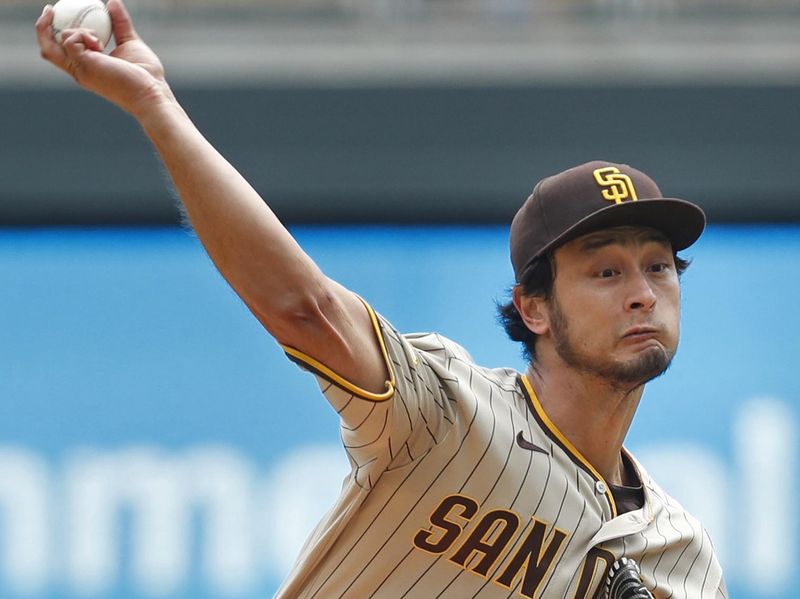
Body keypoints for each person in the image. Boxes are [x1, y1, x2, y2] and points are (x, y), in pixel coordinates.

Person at [36, 2, 727, 597]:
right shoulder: (446, 412)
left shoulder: (681, 558)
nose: (642, 293)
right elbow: (302, 305)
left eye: (659, 267)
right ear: (534, 308)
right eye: (605, 273)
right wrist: (157, 106)